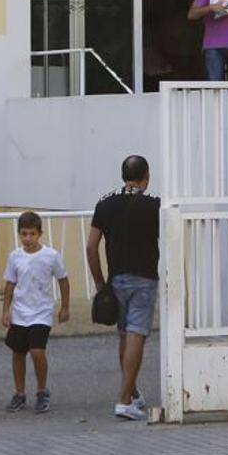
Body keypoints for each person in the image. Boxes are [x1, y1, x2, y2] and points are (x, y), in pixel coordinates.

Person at [86, 155, 161, 421]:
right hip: (144, 278)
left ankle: (131, 393)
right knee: (136, 336)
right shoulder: (154, 206)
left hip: (116, 278)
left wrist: (100, 282)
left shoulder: (104, 203)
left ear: (123, 175)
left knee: (124, 336)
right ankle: (123, 400)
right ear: (146, 177)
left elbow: (91, 247)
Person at [0, 211, 69, 414]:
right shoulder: (15, 257)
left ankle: (42, 390)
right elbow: (10, 284)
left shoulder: (51, 256)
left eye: (32, 234)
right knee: (18, 352)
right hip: (20, 312)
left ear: (40, 234)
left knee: (37, 351)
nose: (28, 238)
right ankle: (20, 393)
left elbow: (63, 279)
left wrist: (65, 306)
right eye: (24, 234)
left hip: (42, 311)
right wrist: (6, 310)